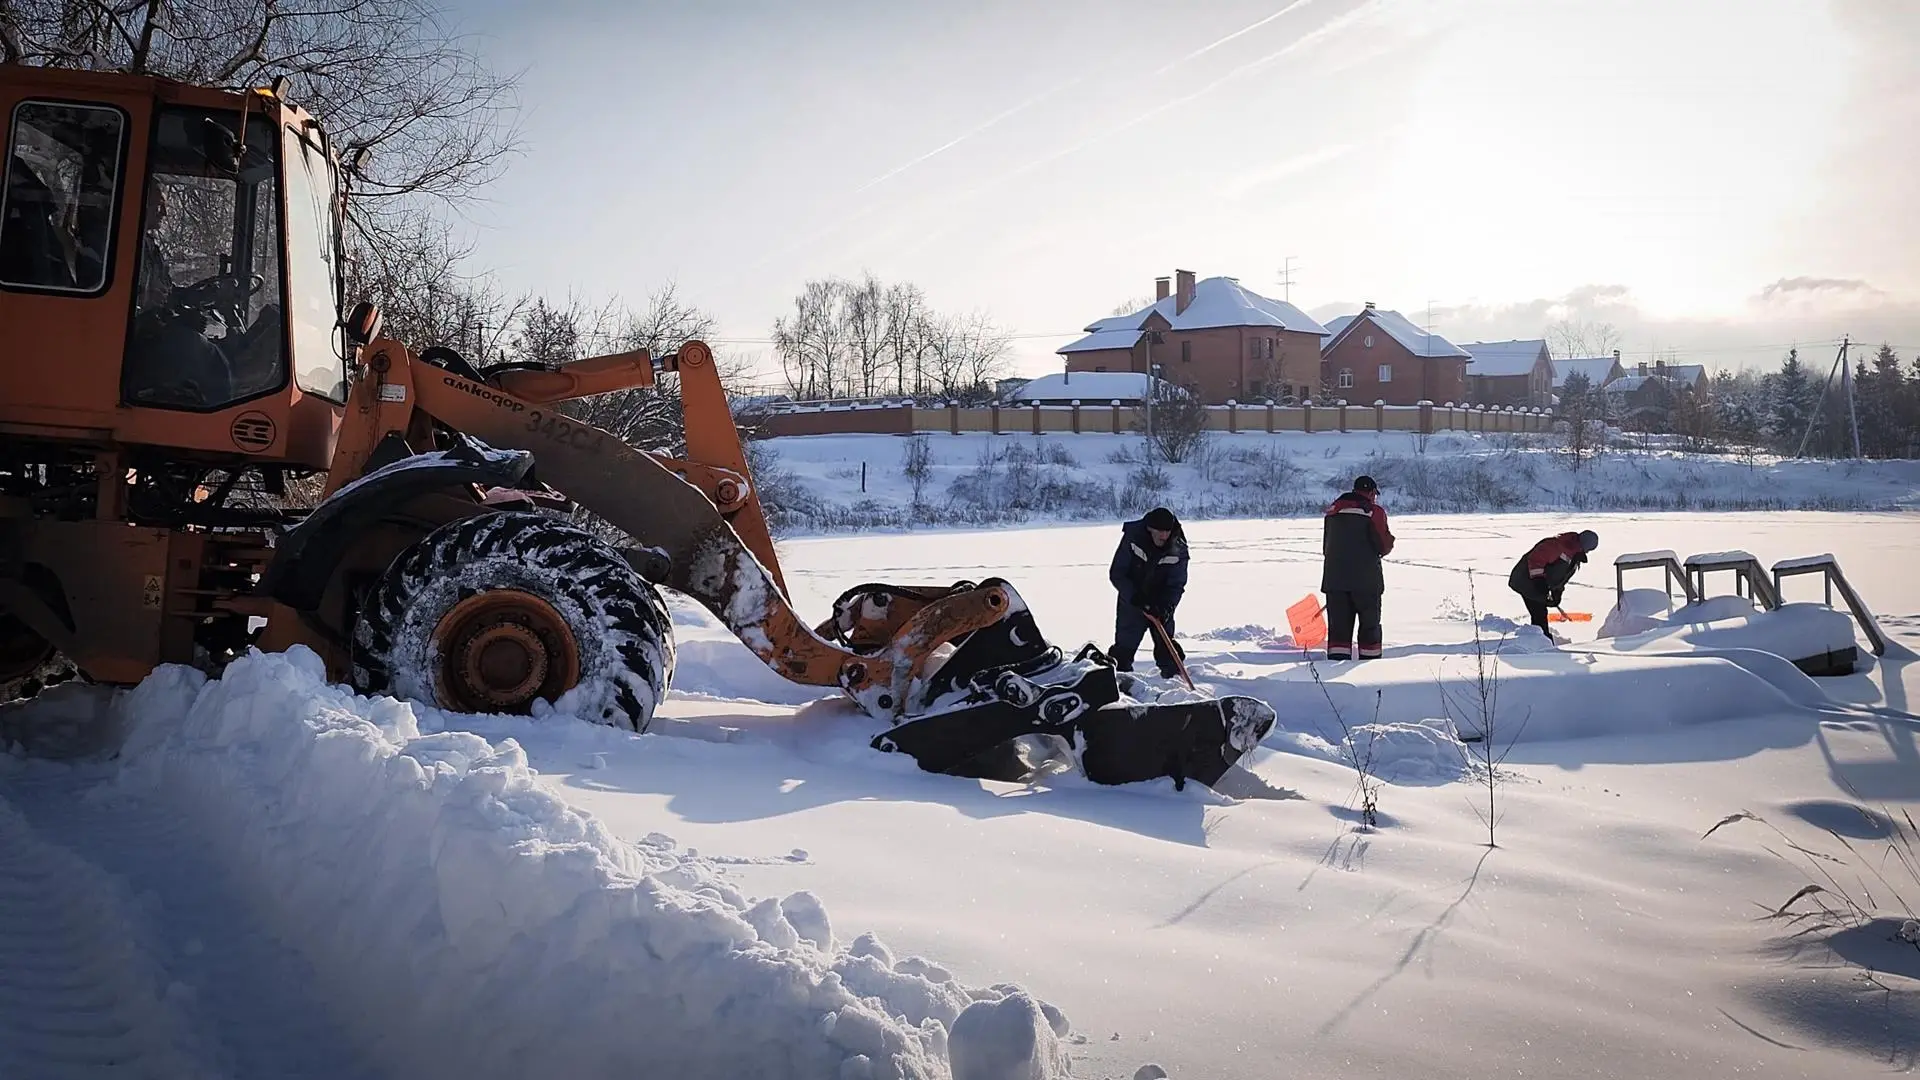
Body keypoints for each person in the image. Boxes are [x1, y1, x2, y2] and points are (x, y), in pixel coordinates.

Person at [1108, 506, 1189, 678]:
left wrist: (1167, 607)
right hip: (1133, 602)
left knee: (1167, 647)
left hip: (1160, 604)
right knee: (1124, 649)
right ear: (1149, 528)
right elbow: (1117, 573)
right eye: (1159, 531)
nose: (1164, 536)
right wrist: (1135, 597)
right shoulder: (1133, 538)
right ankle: (1119, 681)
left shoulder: (1178, 547)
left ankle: (1176, 681)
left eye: (1167, 531)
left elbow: (1176, 583)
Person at [1321, 475, 1394, 661]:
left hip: (1334, 580)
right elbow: (1383, 546)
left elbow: (1326, 546)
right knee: (1369, 628)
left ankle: (1331, 670)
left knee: (1338, 633)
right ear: (1371, 492)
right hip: (1366, 582)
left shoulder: (1333, 511)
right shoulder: (1373, 512)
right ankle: (1370, 669)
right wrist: (1390, 541)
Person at [1508, 530, 1600, 637]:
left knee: (1540, 612)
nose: (1588, 552)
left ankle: (1541, 639)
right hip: (1525, 580)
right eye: (1588, 549)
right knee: (1539, 613)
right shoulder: (1556, 545)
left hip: (1537, 584)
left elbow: (1560, 577)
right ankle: (1540, 641)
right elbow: (1535, 559)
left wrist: (1557, 593)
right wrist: (1539, 580)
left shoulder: (1574, 556)